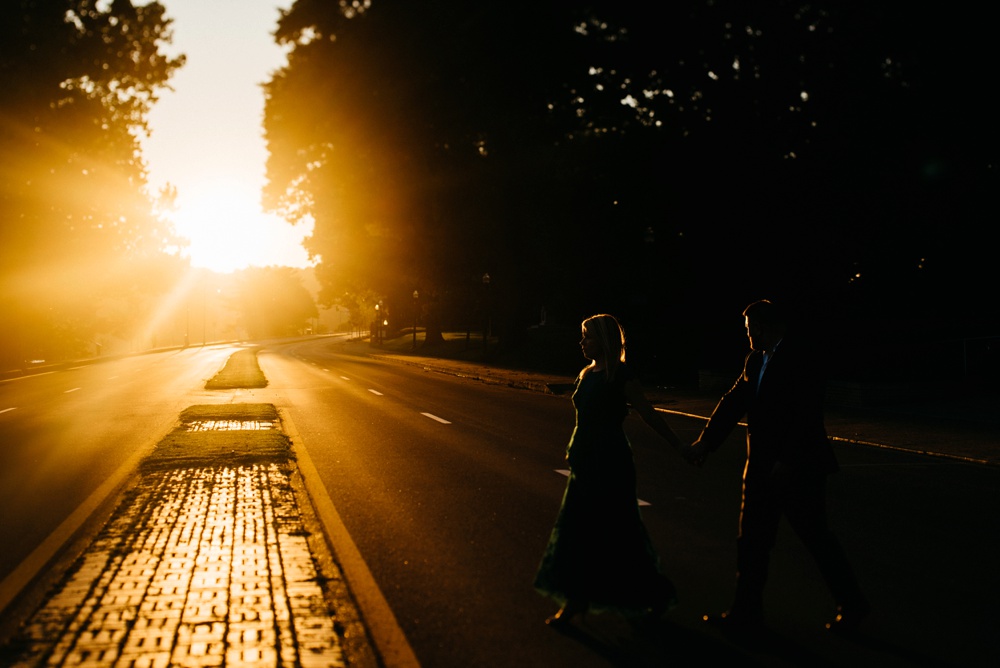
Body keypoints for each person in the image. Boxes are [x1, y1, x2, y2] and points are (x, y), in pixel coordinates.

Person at [689, 300, 869, 638]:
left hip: (798, 468)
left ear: (760, 326)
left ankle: (853, 604)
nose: (746, 336)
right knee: (752, 542)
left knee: (816, 538)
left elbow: (805, 414)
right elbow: (734, 402)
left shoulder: (801, 357)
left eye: (747, 329)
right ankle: (745, 614)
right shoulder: (755, 360)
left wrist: (788, 460)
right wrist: (706, 442)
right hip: (759, 467)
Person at [534, 313, 687, 627]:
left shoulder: (620, 375)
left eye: (587, 336)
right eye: (582, 336)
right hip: (583, 460)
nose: (582, 342)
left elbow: (648, 414)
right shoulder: (586, 373)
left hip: (610, 460)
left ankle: (650, 594)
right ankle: (576, 600)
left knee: (618, 531)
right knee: (576, 530)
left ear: (603, 340)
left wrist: (679, 445)